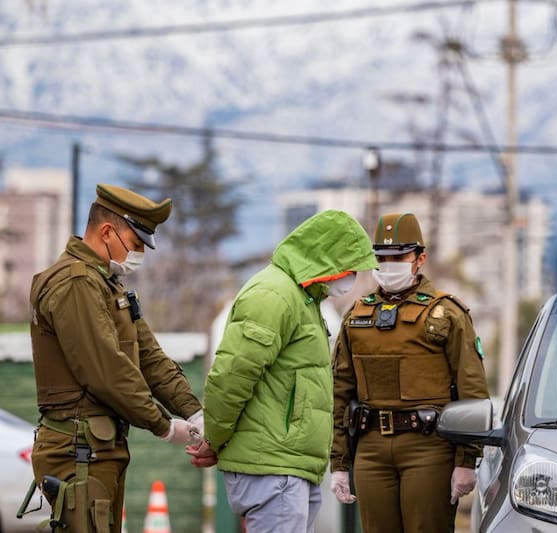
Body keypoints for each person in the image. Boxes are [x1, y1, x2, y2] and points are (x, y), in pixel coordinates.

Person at [188, 209, 378, 533]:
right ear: (326, 259)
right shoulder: (274, 295)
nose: (353, 277)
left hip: (290, 467)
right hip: (274, 470)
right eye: (349, 267)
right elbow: (231, 377)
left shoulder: (305, 300)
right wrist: (215, 439)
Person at [29, 184, 204, 533]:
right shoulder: (75, 283)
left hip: (98, 448)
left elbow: (151, 359)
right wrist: (164, 425)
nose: (139, 254)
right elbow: (106, 370)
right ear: (107, 232)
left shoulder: (107, 285)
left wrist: (195, 412)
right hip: (78, 449)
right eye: (136, 244)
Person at [329, 212, 490, 533]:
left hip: (428, 448)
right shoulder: (357, 314)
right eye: (381, 257)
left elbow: (472, 391)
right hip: (371, 448)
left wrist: (466, 461)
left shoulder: (447, 313)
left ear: (420, 258)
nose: (388, 265)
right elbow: (340, 392)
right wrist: (339, 463)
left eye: (398, 256)